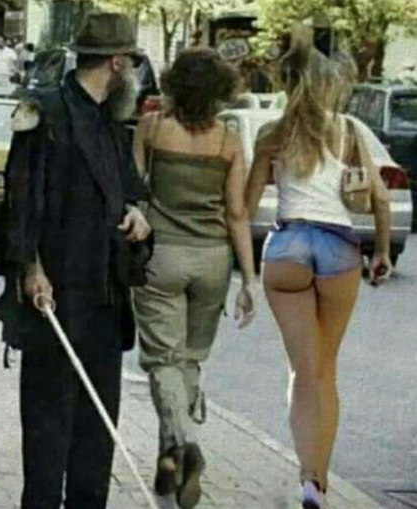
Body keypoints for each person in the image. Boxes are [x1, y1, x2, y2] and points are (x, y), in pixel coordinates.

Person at [0, 11, 150, 509]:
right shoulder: (47, 113)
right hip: (55, 298)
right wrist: (30, 268)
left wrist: (137, 215)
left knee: (96, 436)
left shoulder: (111, 122)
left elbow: (127, 192)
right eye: (132, 64)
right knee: (47, 432)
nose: (136, 74)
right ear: (117, 63)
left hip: (104, 299)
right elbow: (19, 199)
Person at [245, 36, 391, 509]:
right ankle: (318, 484)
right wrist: (382, 251)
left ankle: (305, 475)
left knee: (301, 372)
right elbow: (380, 198)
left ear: (287, 82)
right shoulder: (349, 130)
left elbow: (245, 206)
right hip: (338, 249)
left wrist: (242, 267)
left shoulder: (272, 133)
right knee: (326, 373)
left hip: (287, 247)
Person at [132, 48, 257, 509]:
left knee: (163, 360)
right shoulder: (228, 141)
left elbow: (133, 191)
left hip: (161, 257)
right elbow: (237, 213)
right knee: (188, 361)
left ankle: (182, 443)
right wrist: (249, 279)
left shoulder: (152, 128)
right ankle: (170, 463)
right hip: (213, 261)